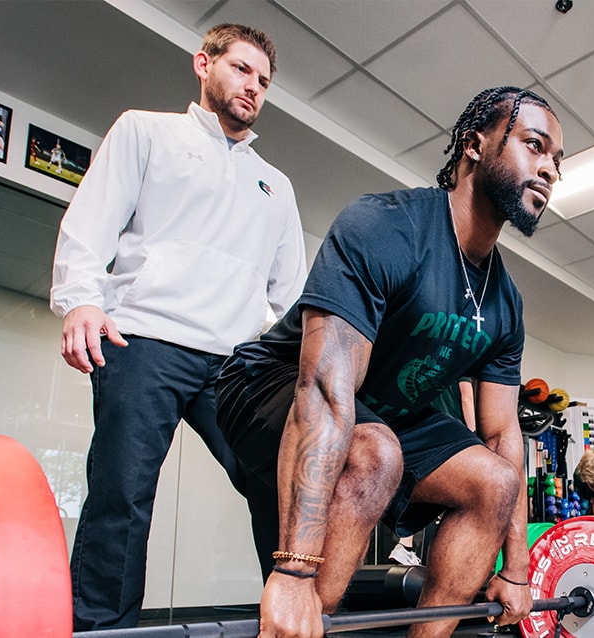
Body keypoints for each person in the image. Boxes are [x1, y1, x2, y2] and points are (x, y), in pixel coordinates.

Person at [215, 86, 563, 638]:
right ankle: (295, 627)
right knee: (375, 452)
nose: (549, 169)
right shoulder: (386, 227)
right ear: (475, 145)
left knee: (495, 481)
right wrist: (294, 572)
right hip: (271, 383)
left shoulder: (506, 303)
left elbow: (502, 434)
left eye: (557, 160)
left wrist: (516, 569)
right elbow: (324, 389)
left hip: (384, 411)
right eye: (534, 145)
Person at [50, 23, 307, 631]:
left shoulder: (277, 186)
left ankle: (292, 616)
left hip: (235, 363)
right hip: (144, 339)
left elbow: (292, 295)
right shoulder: (146, 131)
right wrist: (81, 300)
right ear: (203, 63)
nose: (253, 86)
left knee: (277, 483)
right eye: (241, 69)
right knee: (123, 493)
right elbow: (91, 222)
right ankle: (100, 628)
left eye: (264, 80)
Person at [389, 377, 477, 567]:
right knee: (458, 495)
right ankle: (445, 557)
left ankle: (405, 546)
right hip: (453, 433)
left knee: (422, 486)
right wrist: (473, 433)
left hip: (425, 430)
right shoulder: (464, 369)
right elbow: (467, 398)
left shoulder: (433, 370)